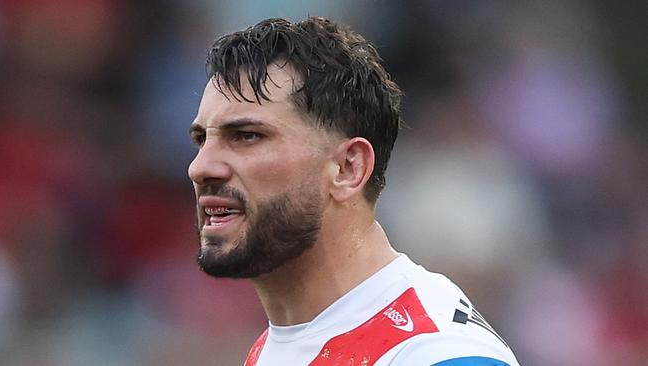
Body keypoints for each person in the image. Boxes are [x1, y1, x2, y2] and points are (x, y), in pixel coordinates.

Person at [188, 16, 520, 366]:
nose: (200, 167)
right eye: (201, 139)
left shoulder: (437, 354)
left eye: (246, 136)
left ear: (349, 168)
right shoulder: (276, 345)